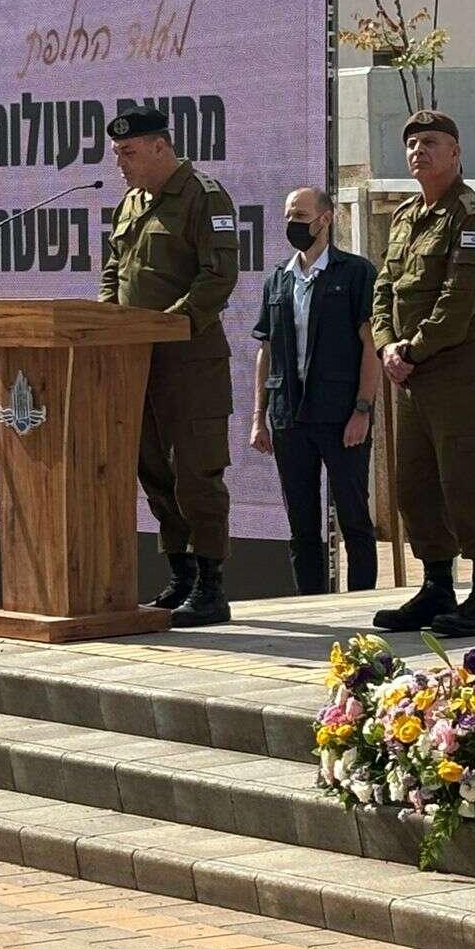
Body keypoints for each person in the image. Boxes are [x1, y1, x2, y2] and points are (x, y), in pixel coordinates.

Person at [99, 105, 239, 627]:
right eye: (116, 153)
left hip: (192, 360)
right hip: (138, 363)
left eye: (129, 152)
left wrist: (170, 324)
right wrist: (112, 325)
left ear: (161, 147)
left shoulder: (204, 196)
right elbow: (113, 272)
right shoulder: (130, 203)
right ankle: (180, 573)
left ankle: (211, 583)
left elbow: (219, 275)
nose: (121, 162)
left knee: (195, 473)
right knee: (154, 470)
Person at [369, 109, 475, 638]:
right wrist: (386, 346)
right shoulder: (405, 217)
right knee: (418, 487)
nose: (418, 152)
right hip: (411, 378)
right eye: (411, 144)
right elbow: (384, 288)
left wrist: (412, 348)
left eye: (431, 142)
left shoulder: (471, 216)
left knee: (469, 485)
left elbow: (459, 302)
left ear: (455, 152)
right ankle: (436, 588)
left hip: (457, 377)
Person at [249, 186, 381, 595]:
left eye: (301, 215)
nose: (294, 224)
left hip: (341, 415)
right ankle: (308, 602)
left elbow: (371, 346)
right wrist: (260, 418)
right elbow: (266, 351)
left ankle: (361, 603)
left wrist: (362, 409)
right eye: (289, 215)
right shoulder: (279, 279)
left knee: (354, 517)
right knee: (301, 523)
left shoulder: (355, 273)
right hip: (290, 418)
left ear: (325, 219)